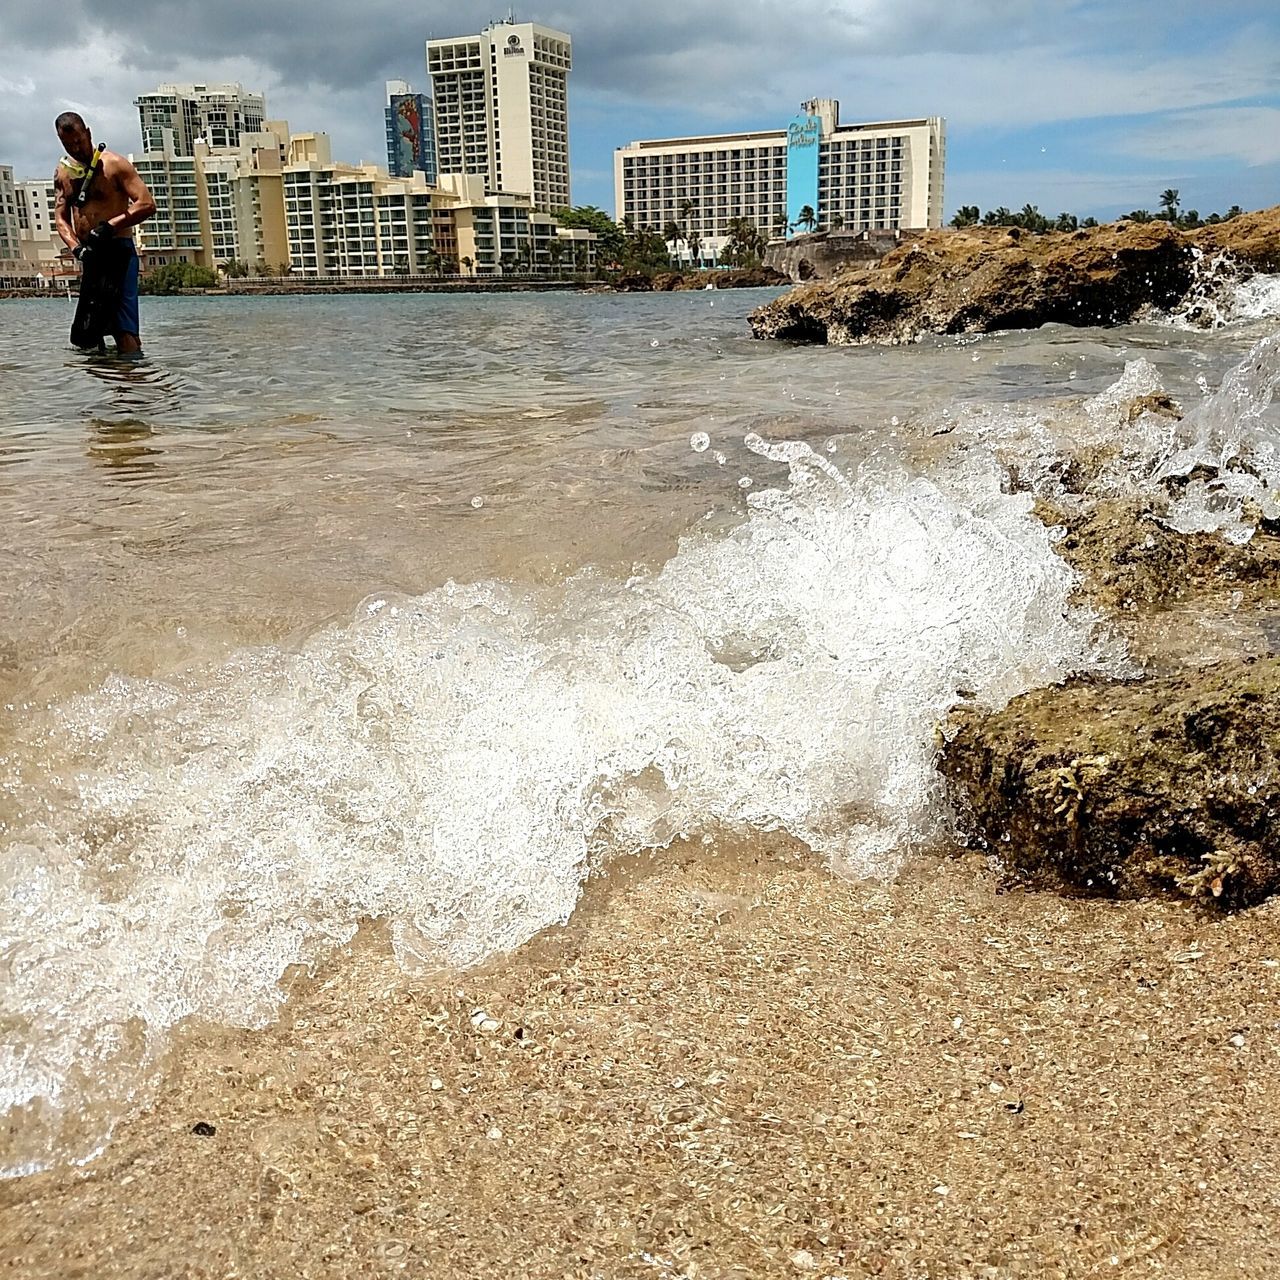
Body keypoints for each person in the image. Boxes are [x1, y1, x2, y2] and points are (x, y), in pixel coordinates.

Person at [52, 111, 156, 355]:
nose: (76, 148)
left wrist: (111, 226)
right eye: (68, 145)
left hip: (118, 252)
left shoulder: (115, 165)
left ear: (88, 133)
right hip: (90, 255)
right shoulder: (64, 173)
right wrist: (76, 248)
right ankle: (108, 387)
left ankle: (134, 380)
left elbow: (146, 204)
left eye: (78, 141)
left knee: (123, 328)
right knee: (91, 331)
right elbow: (60, 217)